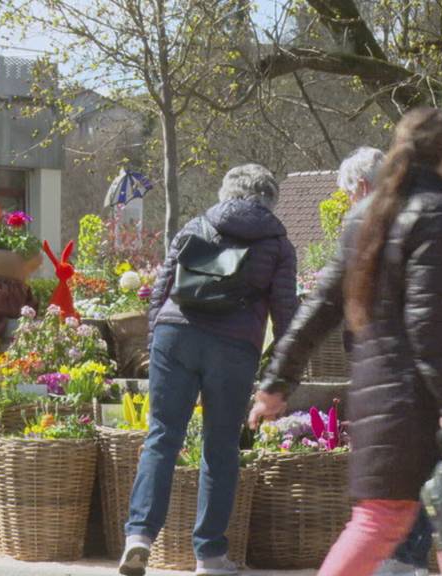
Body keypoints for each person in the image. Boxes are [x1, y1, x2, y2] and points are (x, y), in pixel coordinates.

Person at [251, 107, 442, 576]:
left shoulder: (366, 217)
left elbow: (319, 307)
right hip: (414, 398)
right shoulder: (438, 212)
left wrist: (277, 382)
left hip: (375, 390)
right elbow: (430, 322)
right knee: (415, 517)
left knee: (437, 517)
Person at [120, 164, 297, 576]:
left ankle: (139, 538)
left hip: (174, 335)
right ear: (270, 199)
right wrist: (284, 373)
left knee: (162, 437)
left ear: (226, 192)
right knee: (220, 449)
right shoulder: (277, 243)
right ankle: (211, 556)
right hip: (233, 346)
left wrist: (155, 346)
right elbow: (286, 313)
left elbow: (161, 290)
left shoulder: (197, 224)